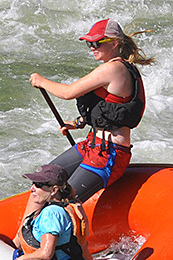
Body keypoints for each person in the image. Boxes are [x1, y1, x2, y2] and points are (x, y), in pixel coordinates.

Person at [29, 18, 154, 202]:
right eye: (89, 43)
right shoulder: (116, 69)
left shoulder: (113, 69)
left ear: (114, 43)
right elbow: (109, 110)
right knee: (43, 180)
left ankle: (59, 223)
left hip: (109, 153)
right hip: (92, 144)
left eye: (96, 42)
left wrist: (41, 81)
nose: (92, 47)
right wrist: (77, 123)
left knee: (63, 201)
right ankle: (25, 229)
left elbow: (68, 92)